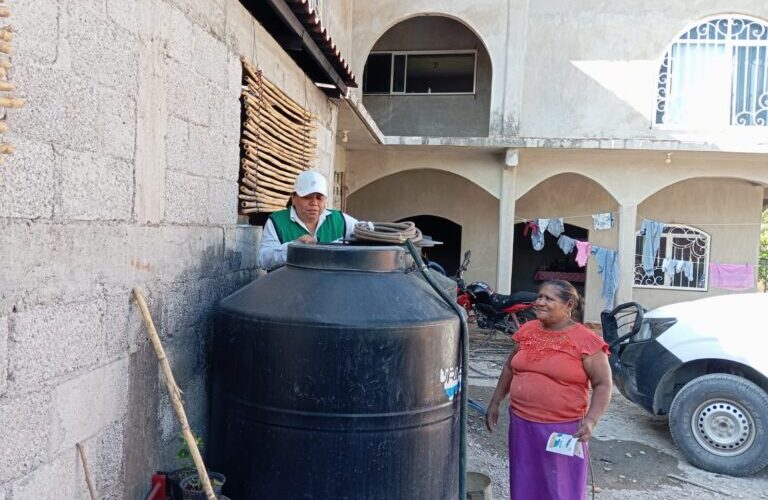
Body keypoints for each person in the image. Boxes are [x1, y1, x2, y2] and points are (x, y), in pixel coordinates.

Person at [485, 280, 612, 500]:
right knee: (525, 479)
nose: (539, 302)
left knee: (559, 486)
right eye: (539, 296)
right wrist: (495, 402)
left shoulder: (586, 340)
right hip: (522, 423)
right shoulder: (527, 330)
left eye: (548, 299)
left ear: (569, 304)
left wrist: (591, 420)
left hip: (562, 428)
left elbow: (603, 384)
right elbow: (509, 367)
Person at [257, 170, 358, 270]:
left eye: (319, 198)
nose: (314, 203)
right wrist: (293, 248)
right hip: (289, 285)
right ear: (293, 198)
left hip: (330, 284)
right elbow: (263, 260)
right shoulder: (277, 221)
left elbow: (368, 232)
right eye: (307, 197)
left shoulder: (339, 219)